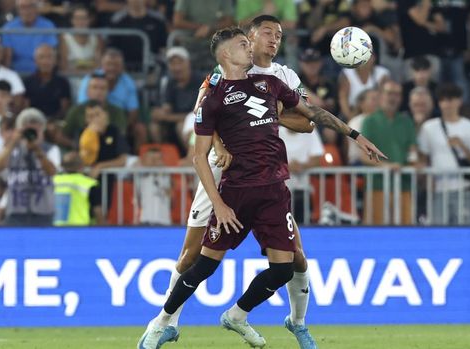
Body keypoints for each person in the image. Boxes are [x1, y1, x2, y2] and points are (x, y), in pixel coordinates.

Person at [137, 26, 385, 349]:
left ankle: (240, 315)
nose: (252, 47)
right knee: (200, 264)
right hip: (234, 190)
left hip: (273, 190)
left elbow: (312, 116)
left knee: (286, 265)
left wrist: (355, 135)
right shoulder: (213, 93)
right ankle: (161, 322)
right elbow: (198, 156)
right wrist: (220, 195)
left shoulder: (271, 81)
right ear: (227, 54)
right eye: (244, 43)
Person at [161, 15, 317, 349]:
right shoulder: (223, 71)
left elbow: (308, 123)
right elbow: (202, 116)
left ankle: (298, 322)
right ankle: (165, 323)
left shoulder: (284, 76)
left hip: (263, 173)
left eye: (279, 35)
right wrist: (218, 144)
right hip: (222, 170)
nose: (274, 40)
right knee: (191, 256)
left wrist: (269, 111)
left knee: (297, 257)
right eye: (267, 33)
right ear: (249, 37)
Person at [418, 84, 470, 225]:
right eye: (443, 100)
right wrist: (426, 179)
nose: (447, 104)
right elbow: (423, 157)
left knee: (465, 233)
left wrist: (462, 146)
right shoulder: (429, 127)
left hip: (464, 188)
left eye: (451, 100)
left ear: (459, 101)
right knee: (438, 233)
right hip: (438, 190)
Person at [360, 79, 418, 225]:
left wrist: (414, 164)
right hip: (377, 186)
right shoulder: (370, 121)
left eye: (397, 94)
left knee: (405, 230)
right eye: (389, 93)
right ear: (380, 95)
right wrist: (386, 166)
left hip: (403, 186)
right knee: (375, 231)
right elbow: (364, 156)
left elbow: (413, 151)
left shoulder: (406, 121)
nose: (393, 98)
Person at [0, 108, 60, 226]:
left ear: (42, 130)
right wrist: (13, 143)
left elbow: (52, 171)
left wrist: (37, 150)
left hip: (43, 211)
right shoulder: (13, 150)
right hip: (15, 211)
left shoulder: (51, 149)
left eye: (35, 129)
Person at [1, 0, 59, 74]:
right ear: (18, 9)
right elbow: (7, 58)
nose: (27, 11)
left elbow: (50, 53)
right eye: (23, 7)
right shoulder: (8, 28)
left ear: (36, 8)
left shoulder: (48, 26)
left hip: (40, 73)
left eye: (30, 6)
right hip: (17, 73)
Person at [23, 44, 72, 121]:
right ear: (35, 61)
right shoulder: (28, 82)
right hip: (33, 121)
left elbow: (64, 109)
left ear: (55, 61)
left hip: (56, 123)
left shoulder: (63, 83)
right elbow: (26, 108)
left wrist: (52, 122)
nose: (45, 61)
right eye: (41, 57)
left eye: (49, 57)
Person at [53, 151, 103, 226]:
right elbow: (98, 212)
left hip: (54, 229)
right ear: (82, 166)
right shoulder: (90, 184)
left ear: (62, 166)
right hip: (79, 230)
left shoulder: (53, 181)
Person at [59, 5, 103, 74]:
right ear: (72, 20)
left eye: (84, 18)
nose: (80, 22)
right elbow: (64, 67)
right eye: (77, 18)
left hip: (91, 80)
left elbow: (99, 65)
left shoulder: (96, 38)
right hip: (71, 79)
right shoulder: (65, 38)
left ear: (89, 20)